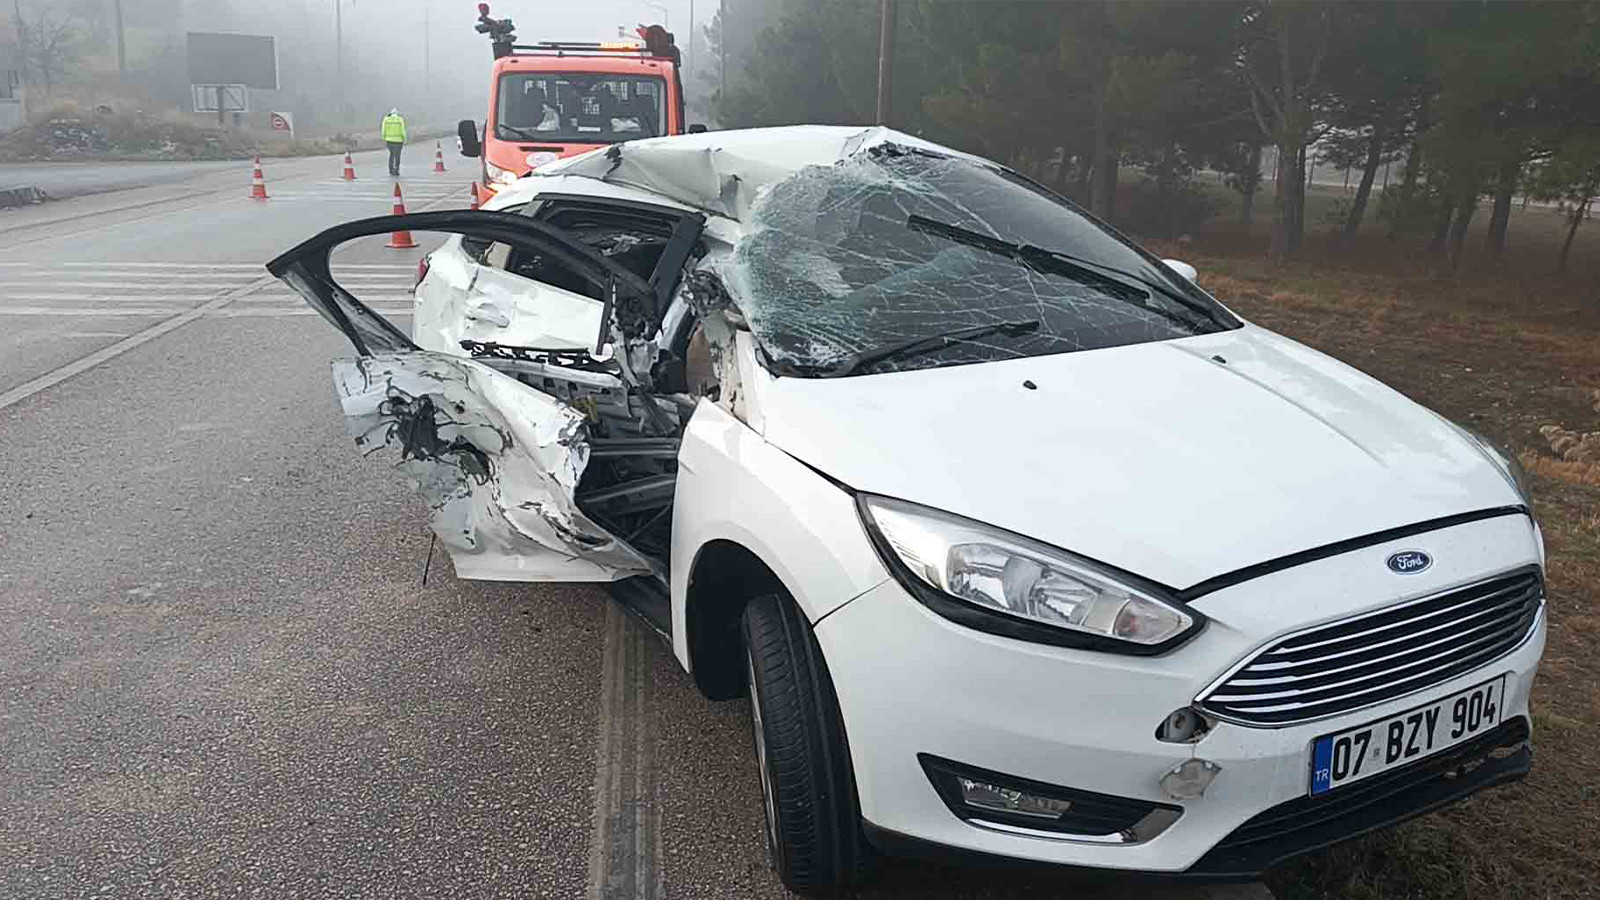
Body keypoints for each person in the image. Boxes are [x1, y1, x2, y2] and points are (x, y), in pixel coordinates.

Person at [381, 108, 407, 176]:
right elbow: (403, 130)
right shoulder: (400, 119)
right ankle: (396, 169)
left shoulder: (386, 119)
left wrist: (384, 137)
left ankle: (391, 169)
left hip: (389, 140)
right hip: (398, 141)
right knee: (397, 155)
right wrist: (404, 138)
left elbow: (383, 130)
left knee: (391, 154)